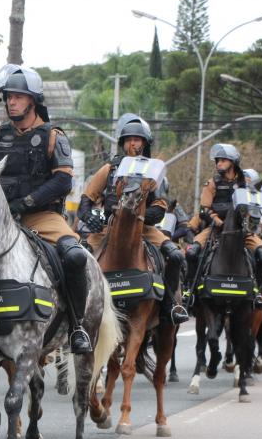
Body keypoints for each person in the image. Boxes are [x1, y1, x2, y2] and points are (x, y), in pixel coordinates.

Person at [0, 64, 92, 353]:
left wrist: (26, 203)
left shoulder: (54, 135)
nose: (10, 102)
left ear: (33, 100)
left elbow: (63, 181)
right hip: (0, 219)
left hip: (42, 216)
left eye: (17, 96)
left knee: (76, 256)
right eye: (7, 97)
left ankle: (77, 327)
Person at [76, 113, 188, 324]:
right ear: (122, 143)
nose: (132, 144)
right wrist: (90, 216)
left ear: (145, 143)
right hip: (109, 227)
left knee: (175, 256)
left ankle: (170, 305)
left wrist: (137, 215)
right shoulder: (109, 169)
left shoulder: (155, 171)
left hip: (142, 227)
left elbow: (159, 209)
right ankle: (79, 311)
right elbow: (85, 201)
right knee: (79, 256)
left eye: (137, 140)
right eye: (128, 140)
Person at [183, 143, 262, 309]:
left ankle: (258, 291)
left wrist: (251, 222)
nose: (218, 164)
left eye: (222, 160)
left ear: (232, 162)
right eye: (217, 161)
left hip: (243, 231)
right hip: (215, 228)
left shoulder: (246, 183)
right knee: (192, 252)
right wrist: (217, 221)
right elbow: (203, 210)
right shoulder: (212, 183)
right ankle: (190, 290)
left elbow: (254, 208)